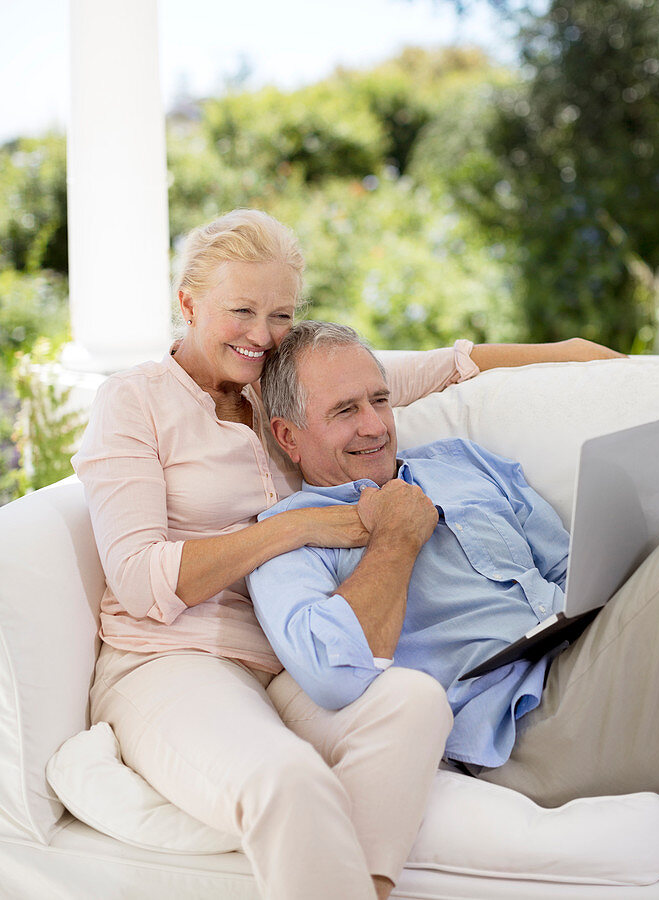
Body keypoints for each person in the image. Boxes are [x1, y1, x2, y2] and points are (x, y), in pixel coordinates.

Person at [72, 208, 624, 900]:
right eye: (240, 311)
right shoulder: (134, 404)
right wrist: (292, 529)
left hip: (286, 657)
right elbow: (138, 575)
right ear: (187, 303)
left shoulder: (281, 384)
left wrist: (576, 350)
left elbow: (446, 367)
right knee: (286, 778)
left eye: (280, 314)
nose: (261, 336)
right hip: (173, 658)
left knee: (416, 702)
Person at [248, 320, 659, 900]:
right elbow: (331, 672)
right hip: (530, 733)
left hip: (610, 686)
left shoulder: (462, 464)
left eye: (379, 400)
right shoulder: (286, 538)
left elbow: (570, 573)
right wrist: (395, 538)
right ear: (288, 436)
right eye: (345, 411)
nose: (374, 426)